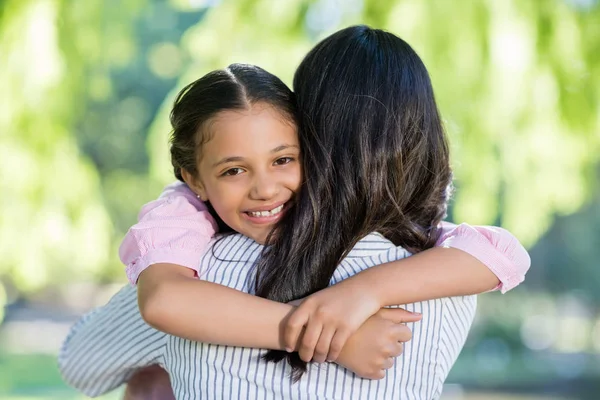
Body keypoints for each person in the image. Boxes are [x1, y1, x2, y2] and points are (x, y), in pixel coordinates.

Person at [59, 26, 530, 399]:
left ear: (310, 138)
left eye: (283, 158)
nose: (264, 188)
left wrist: (351, 298)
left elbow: (83, 362)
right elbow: (502, 252)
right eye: (234, 170)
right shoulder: (446, 277)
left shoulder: (205, 269)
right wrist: (338, 324)